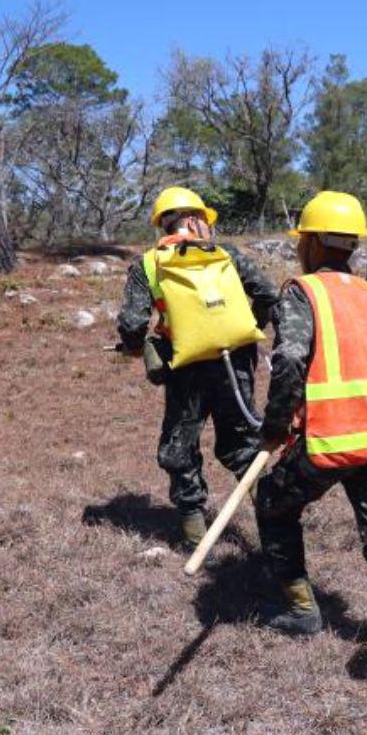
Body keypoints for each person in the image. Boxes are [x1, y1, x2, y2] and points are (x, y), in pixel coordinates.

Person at [254, 190, 367, 678]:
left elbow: (287, 360)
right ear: (351, 245)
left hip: (327, 442)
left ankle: (302, 608)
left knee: (272, 500)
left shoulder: (301, 293)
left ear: (307, 242)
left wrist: (275, 427)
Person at [116, 186, 279, 547]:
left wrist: (133, 348)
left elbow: (131, 324)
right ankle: (273, 530)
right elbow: (269, 294)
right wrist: (248, 329)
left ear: (163, 224)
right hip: (235, 363)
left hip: (185, 367)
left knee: (180, 445)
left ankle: (193, 534)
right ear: (201, 218)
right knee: (242, 445)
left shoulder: (148, 263)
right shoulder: (228, 254)